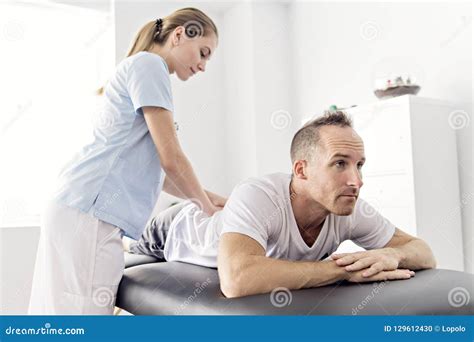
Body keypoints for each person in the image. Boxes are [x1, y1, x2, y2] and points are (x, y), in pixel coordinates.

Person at [29, 7, 225, 314]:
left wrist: (215, 199)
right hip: (89, 213)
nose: (202, 66)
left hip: (79, 207)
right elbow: (172, 158)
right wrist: (205, 207)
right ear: (178, 35)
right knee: (83, 318)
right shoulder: (150, 66)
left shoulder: (142, 68)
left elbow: (163, 174)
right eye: (203, 53)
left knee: (62, 315)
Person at [128, 111, 436, 298]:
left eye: (360, 165)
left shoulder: (349, 207)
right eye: (340, 164)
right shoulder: (259, 194)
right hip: (173, 230)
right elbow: (236, 280)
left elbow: (423, 251)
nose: (356, 181)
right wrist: (342, 271)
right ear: (301, 170)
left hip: (226, 222)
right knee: (124, 263)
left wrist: (392, 254)